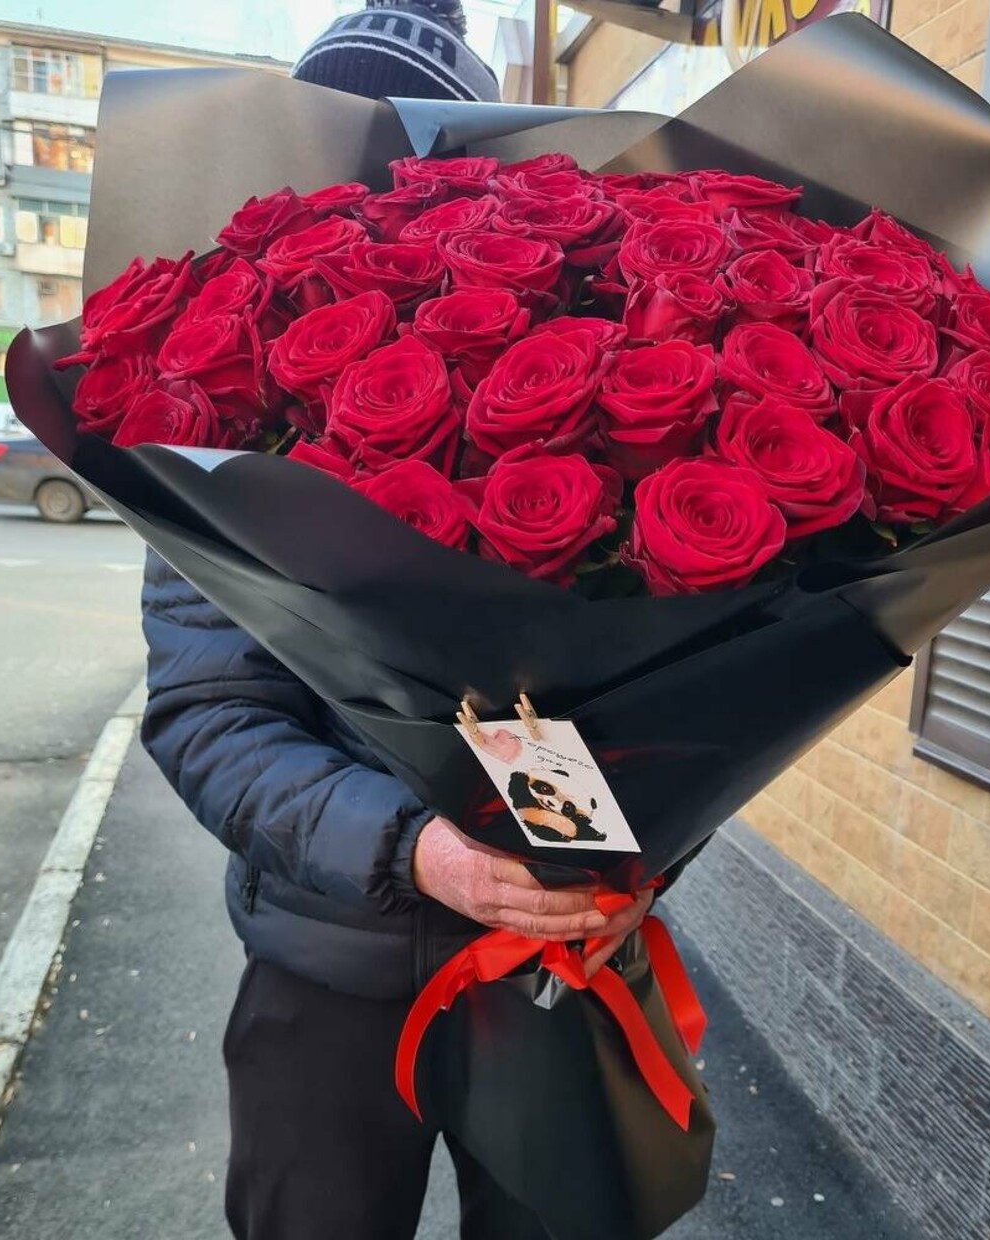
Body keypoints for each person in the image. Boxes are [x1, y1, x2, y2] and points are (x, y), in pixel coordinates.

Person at [139, 4, 656, 1238]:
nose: (370, 179)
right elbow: (210, 714)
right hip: (329, 975)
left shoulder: (572, 386)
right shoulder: (219, 425)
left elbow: (682, 688)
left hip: (553, 968)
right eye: (338, 132)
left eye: (405, 145)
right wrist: (416, 852)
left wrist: (630, 860)